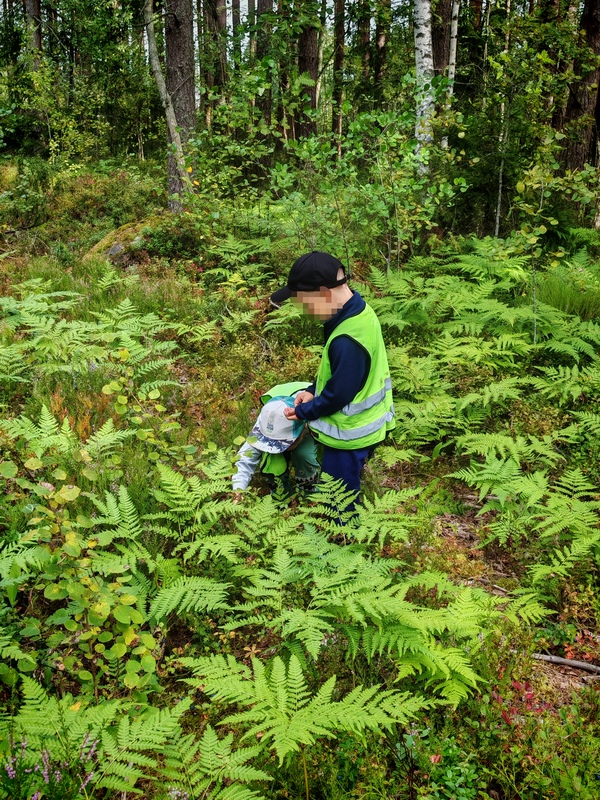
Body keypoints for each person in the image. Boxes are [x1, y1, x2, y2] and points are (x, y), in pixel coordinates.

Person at [270, 251, 395, 514]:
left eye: (304, 304)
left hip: (351, 435)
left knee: (339, 495)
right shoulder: (357, 312)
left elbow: (339, 394)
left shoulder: (347, 339)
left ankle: (344, 530)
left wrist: (305, 411)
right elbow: (339, 373)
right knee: (343, 484)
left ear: (324, 294)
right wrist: (312, 390)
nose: (303, 312)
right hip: (363, 426)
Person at [232, 382, 320, 495]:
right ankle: (281, 495)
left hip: (310, 416)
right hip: (294, 415)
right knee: (272, 461)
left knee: (304, 455)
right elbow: (245, 459)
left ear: (302, 430)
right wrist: (238, 490)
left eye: (283, 443)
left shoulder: (318, 410)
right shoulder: (267, 419)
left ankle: (310, 493)